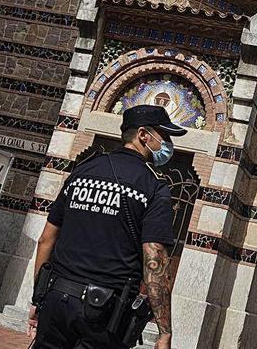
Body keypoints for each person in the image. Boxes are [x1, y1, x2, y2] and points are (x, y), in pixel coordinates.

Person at [29, 105, 186, 349]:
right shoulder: (153, 186)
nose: (167, 144)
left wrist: (38, 299)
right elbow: (154, 258)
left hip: (56, 300)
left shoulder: (82, 171)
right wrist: (164, 331)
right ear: (143, 135)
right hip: (104, 313)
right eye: (164, 136)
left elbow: (46, 239)